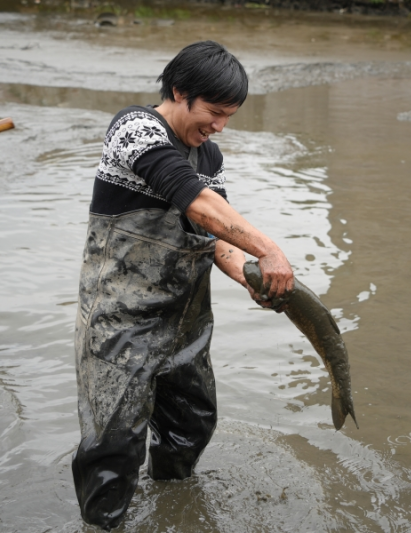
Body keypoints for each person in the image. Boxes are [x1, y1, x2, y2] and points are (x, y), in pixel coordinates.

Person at [71, 40, 294, 529]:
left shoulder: (208, 156)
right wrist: (269, 250)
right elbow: (196, 205)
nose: (220, 126)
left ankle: (174, 512)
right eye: (214, 112)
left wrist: (250, 276)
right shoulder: (135, 129)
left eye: (228, 116)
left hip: (184, 324)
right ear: (179, 91)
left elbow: (215, 236)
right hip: (120, 324)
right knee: (113, 448)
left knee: (191, 426)